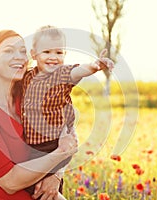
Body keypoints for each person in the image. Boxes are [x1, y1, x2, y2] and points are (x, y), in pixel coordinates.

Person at [0, 29, 78, 200]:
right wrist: (60, 154)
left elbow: (67, 132)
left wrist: (56, 175)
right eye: (9, 51)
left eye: (23, 51)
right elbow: (10, 182)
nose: (20, 57)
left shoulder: (29, 96)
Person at [22, 25, 114, 199]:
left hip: (54, 145)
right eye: (47, 52)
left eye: (59, 52)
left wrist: (95, 66)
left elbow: (78, 71)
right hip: (31, 147)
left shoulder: (62, 75)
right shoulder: (27, 77)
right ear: (34, 54)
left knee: (47, 193)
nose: (53, 58)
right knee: (33, 191)